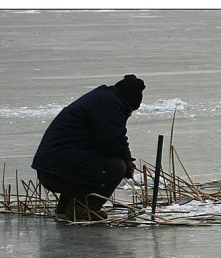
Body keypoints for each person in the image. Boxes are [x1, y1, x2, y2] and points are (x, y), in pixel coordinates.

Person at [32, 74, 146, 221]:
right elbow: (111, 140)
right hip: (57, 171)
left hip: (52, 169)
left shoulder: (103, 97)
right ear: (128, 101)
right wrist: (127, 160)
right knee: (116, 166)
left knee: (94, 159)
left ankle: (66, 206)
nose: (129, 114)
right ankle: (84, 207)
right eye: (130, 109)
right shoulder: (109, 104)